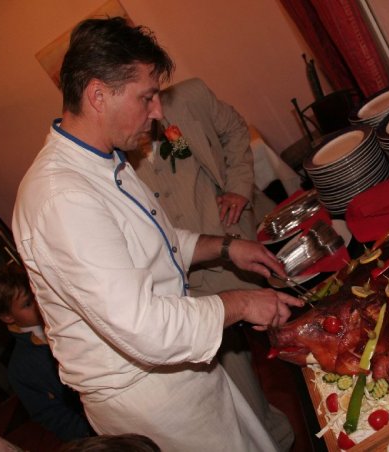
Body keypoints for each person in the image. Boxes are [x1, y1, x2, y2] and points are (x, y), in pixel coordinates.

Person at [12, 16, 302, 451]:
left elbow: (161, 244)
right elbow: (144, 327)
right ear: (98, 95)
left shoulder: (105, 160)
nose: (158, 111)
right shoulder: (62, 198)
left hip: (177, 365)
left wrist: (227, 248)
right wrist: (242, 302)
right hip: (149, 393)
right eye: (146, 97)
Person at [128, 79, 294, 448]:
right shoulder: (107, 152)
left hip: (237, 244)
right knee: (232, 376)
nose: (154, 107)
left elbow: (235, 130)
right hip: (187, 279)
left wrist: (237, 186)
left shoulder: (189, 97)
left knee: (290, 324)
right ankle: (275, 439)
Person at [0, 262, 92, 442]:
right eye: (27, 303)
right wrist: (88, 433)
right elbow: (50, 415)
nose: (38, 304)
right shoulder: (20, 369)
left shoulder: (66, 318)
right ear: (8, 317)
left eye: (37, 294)